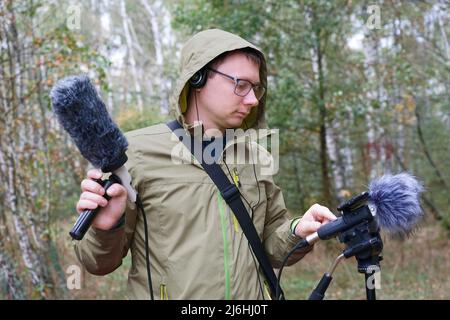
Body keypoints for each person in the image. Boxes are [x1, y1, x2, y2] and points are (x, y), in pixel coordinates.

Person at [73, 28, 336, 300]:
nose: (253, 99)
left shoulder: (257, 157)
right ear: (197, 77)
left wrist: (298, 230)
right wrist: (107, 228)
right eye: (241, 84)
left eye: (256, 88)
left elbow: (271, 245)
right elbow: (98, 263)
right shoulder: (135, 153)